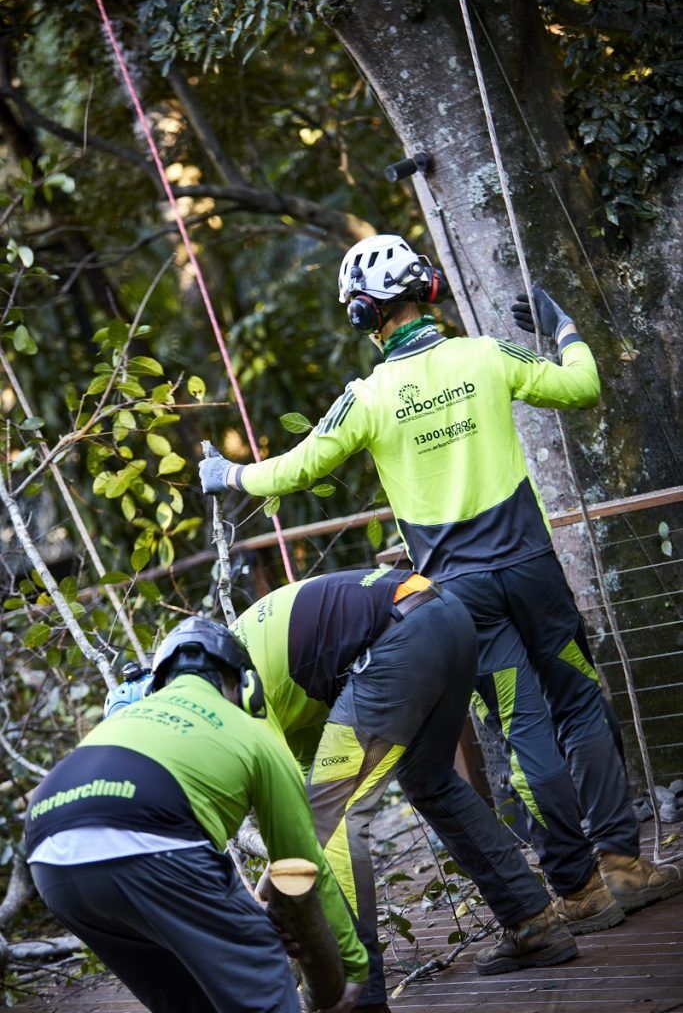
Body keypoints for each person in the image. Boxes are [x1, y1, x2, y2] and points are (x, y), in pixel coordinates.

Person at [199, 234, 682, 949]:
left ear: (364, 315)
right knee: (578, 699)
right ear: (425, 291)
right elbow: (580, 386)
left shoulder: (366, 398)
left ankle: (577, 889)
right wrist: (561, 327)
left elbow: (291, 471)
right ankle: (621, 862)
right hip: (531, 570)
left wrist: (226, 476)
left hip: (458, 594)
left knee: (523, 727)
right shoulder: (485, 355)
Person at [104, 569, 578, 1012]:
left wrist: (280, 883)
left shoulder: (225, 693)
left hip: (399, 635)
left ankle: (362, 998)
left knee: (336, 826)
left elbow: (310, 822)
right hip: (441, 614)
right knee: (429, 780)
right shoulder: (230, 673)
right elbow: (302, 782)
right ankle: (533, 923)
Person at [26, 618, 368, 1013]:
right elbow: (301, 863)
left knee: (189, 1000)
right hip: (150, 842)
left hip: (49, 857)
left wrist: (233, 915)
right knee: (261, 973)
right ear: (246, 686)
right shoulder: (252, 732)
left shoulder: (125, 720)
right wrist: (353, 963)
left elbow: (171, 836)